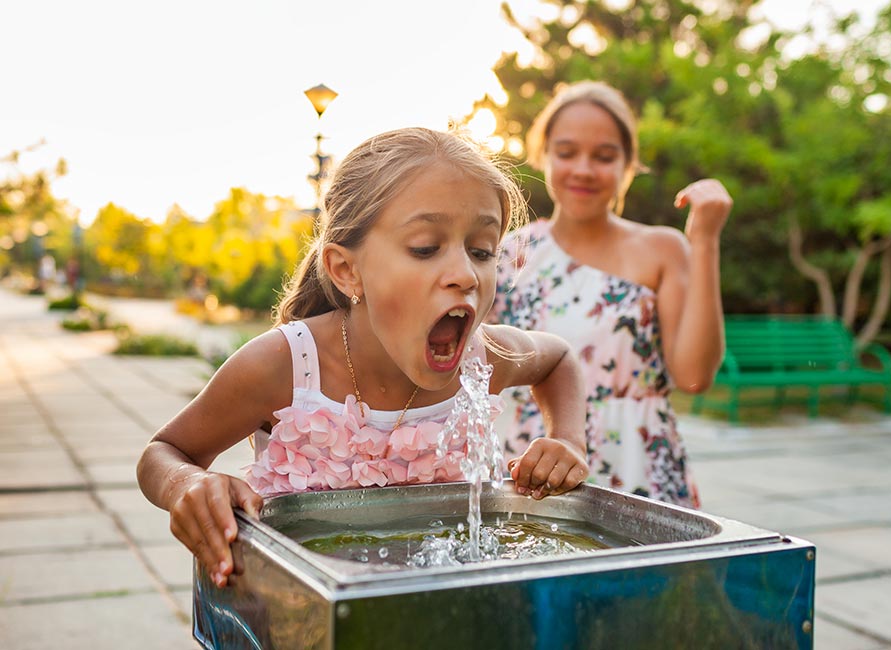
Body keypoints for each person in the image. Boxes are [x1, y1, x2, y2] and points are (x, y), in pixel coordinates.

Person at [137, 127, 589, 588]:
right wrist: (185, 485)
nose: (465, 274)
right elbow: (163, 453)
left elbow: (558, 359)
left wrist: (569, 439)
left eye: (482, 251)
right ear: (346, 270)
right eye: (425, 248)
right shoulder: (288, 366)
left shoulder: (484, 357)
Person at [490, 80, 731, 508]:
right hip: (539, 467)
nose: (583, 169)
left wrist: (706, 242)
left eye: (603, 156)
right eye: (566, 152)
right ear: (543, 154)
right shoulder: (510, 255)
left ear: (628, 164)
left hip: (642, 465)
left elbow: (694, 376)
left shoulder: (663, 248)